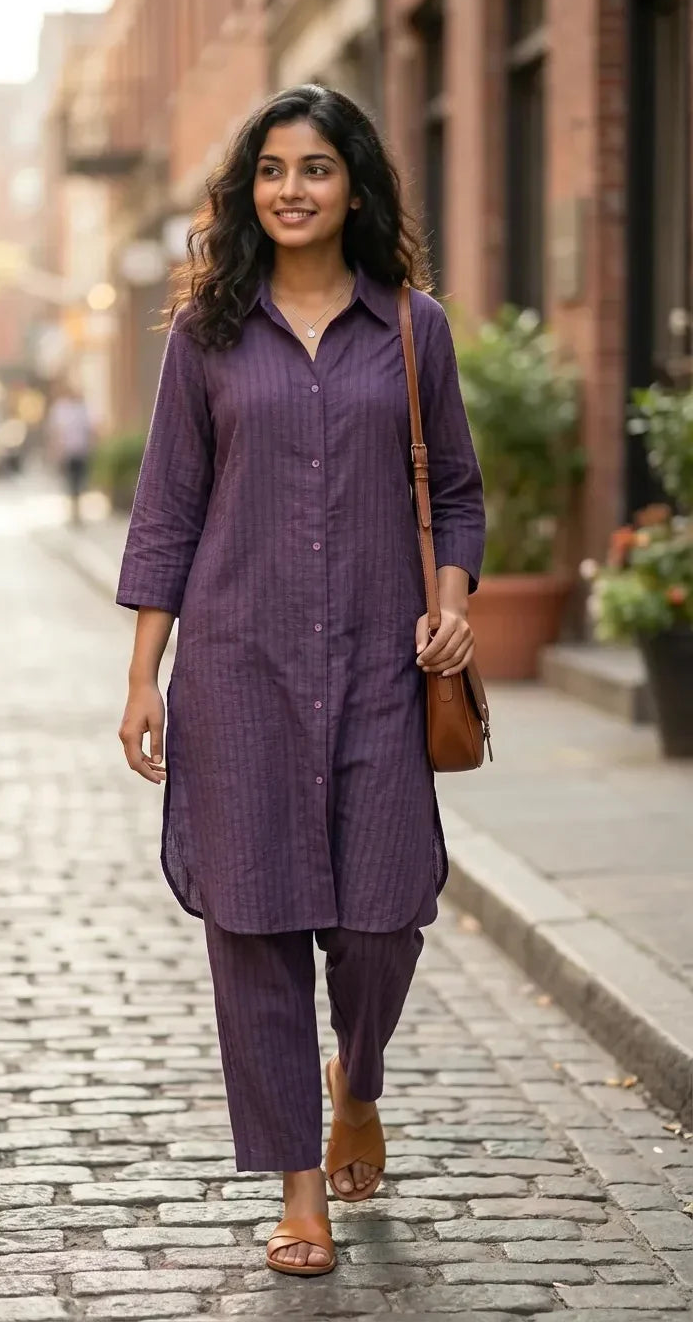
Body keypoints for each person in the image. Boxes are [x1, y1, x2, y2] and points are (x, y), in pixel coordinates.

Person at [115, 84, 485, 1278]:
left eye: (316, 167)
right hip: (239, 671)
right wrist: (144, 676)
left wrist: (452, 602)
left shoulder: (413, 328)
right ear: (246, 190)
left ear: (356, 186)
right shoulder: (206, 337)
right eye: (271, 168)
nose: (291, 188)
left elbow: (461, 494)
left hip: (381, 666)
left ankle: (358, 1077)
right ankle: (300, 1187)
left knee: (383, 917)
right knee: (256, 927)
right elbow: (169, 507)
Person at [46, 382, 95, 525]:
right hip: (68, 452)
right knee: (70, 482)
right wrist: (55, 449)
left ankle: (77, 511)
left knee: (80, 481)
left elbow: (90, 429)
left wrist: (92, 445)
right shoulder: (61, 409)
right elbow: (55, 431)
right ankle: (73, 512)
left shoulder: (83, 408)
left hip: (81, 450)